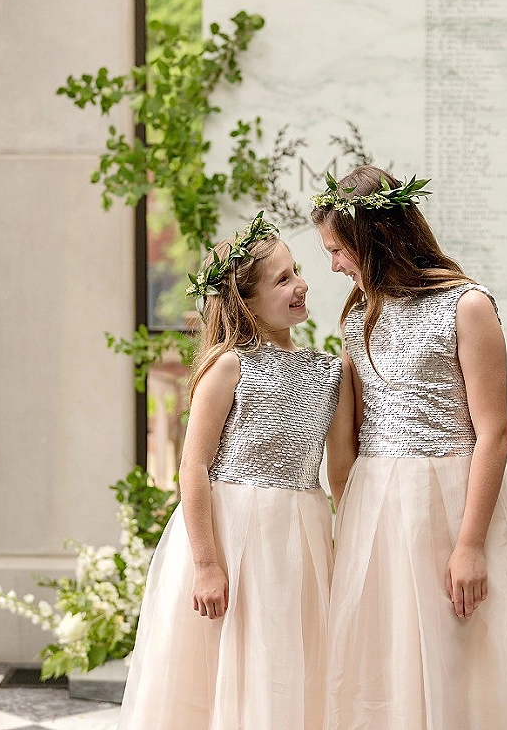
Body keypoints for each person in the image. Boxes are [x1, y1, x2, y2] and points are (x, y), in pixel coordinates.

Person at [311, 166, 507, 730]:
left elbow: (494, 432)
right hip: (378, 506)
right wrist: (348, 516)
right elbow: (356, 428)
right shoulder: (358, 314)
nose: (334, 266)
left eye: (338, 250)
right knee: (387, 656)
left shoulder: (466, 305)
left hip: (454, 501)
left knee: (461, 655)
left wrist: (469, 546)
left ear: (374, 239)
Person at [117, 212, 348, 730]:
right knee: (226, 662)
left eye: (297, 271)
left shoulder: (330, 371)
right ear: (246, 302)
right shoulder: (230, 366)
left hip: (301, 534)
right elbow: (193, 466)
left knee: (287, 658)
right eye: (282, 279)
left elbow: (341, 471)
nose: (300, 284)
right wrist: (206, 564)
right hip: (233, 532)